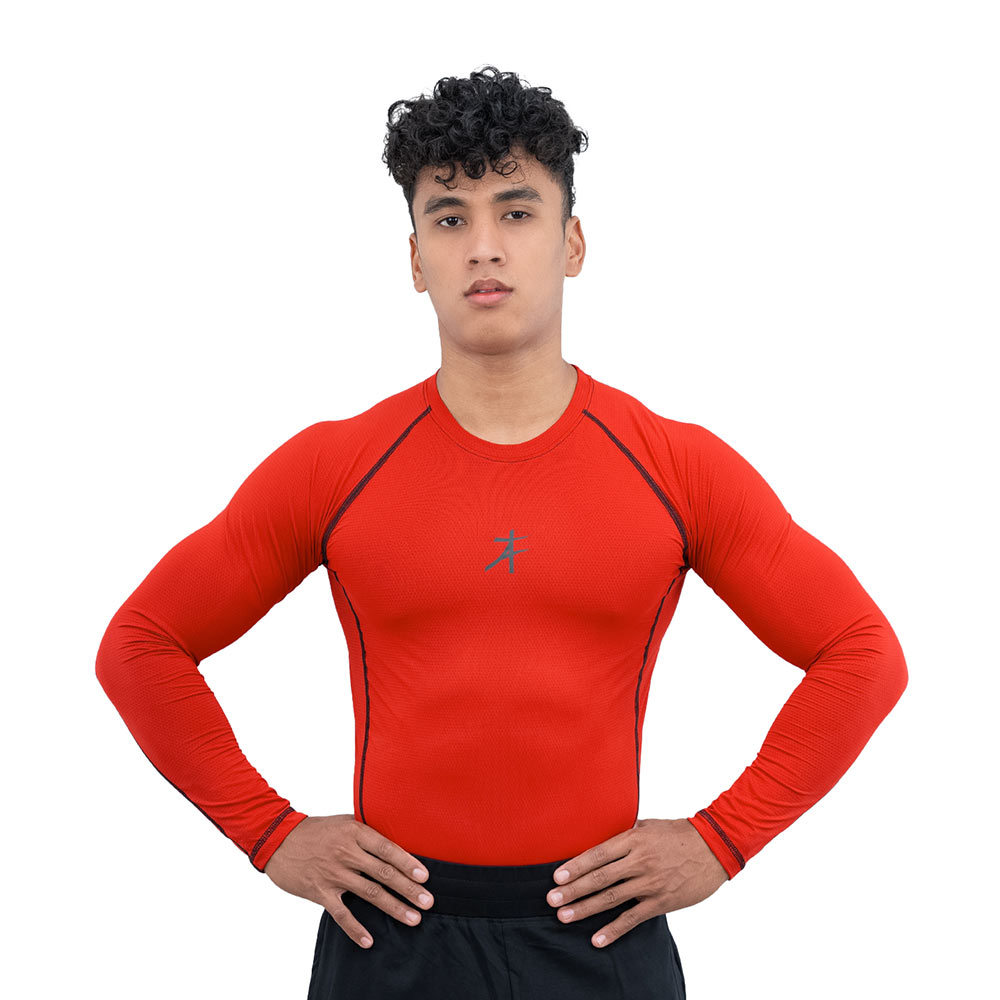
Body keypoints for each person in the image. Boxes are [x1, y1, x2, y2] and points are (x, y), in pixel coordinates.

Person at [95, 65, 908, 999]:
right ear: (415, 260)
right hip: (392, 937)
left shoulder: (676, 465)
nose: (484, 247)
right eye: (450, 219)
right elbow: (142, 645)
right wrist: (269, 832)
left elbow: (861, 654)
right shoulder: (336, 465)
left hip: (601, 937)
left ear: (572, 243)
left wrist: (724, 838)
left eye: (516, 213)